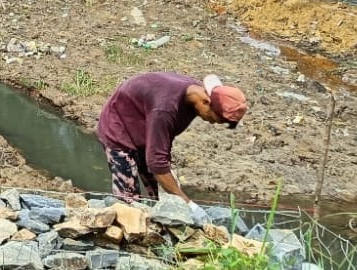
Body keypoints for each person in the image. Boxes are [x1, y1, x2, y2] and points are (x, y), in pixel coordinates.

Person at [96, 72, 247, 202]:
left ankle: (160, 223)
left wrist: (175, 195)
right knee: (129, 198)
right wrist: (188, 204)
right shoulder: (166, 108)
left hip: (146, 126)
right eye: (215, 118)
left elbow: (162, 146)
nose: (213, 123)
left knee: (163, 192)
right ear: (205, 102)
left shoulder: (194, 95)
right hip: (117, 127)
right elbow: (157, 163)